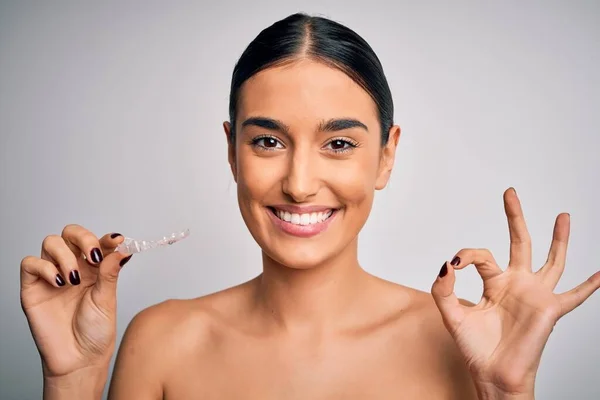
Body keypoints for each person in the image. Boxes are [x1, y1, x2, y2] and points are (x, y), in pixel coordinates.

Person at [20, 13, 599, 400]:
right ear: (231, 150)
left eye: (339, 144)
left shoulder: (466, 343)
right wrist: (73, 379)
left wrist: (507, 395)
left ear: (386, 157)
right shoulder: (162, 341)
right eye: (267, 141)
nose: (298, 184)